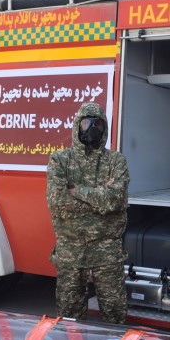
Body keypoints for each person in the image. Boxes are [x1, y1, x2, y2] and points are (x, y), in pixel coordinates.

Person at [46, 102, 129, 323]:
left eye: (97, 123)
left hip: (108, 250)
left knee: (115, 314)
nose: (92, 128)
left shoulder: (116, 161)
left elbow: (115, 200)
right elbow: (58, 202)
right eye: (86, 123)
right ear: (77, 126)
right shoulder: (60, 160)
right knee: (69, 316)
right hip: (71, 250)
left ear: (104, 127)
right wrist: (101, 198)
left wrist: (77, 191)